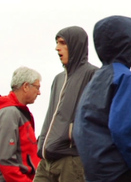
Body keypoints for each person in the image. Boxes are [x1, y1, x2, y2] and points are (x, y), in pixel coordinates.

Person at [73, 16, 131, 182]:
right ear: (128, 43)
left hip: (95, 170)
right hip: (119, 170)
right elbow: (121, 128)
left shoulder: (97, 78)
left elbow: (80, 127)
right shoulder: (125, 77)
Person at [35, 26, 98, 182]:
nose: (57, 48)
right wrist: (42, 143)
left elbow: (96, 117)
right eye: (57, 43)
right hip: (46, 159)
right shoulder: (58, 79)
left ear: (75, 45)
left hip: (71, 160)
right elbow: (51, 114)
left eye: (62, 43)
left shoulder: (93, 74)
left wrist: (73, 139)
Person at [0, 67, 42, 181]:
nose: (39, 92)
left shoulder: (20, 112)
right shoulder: (10, 112)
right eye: (37, 87)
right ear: (25, 86)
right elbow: (5, 159)